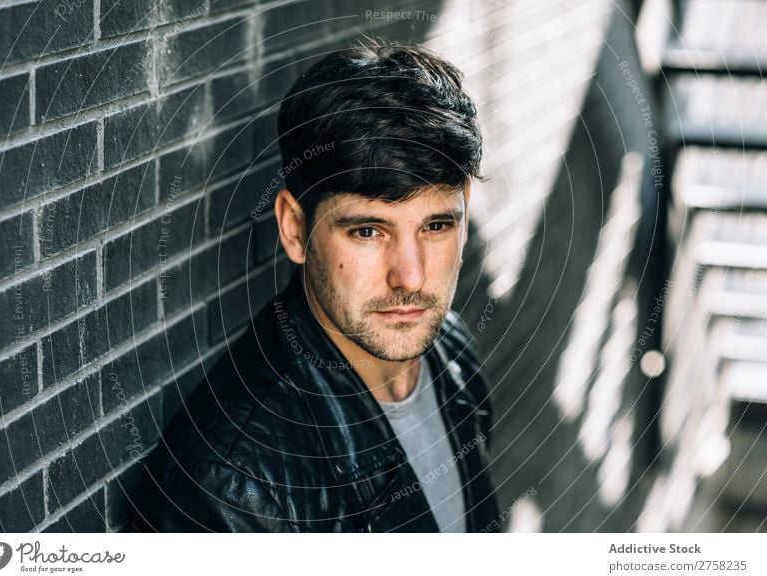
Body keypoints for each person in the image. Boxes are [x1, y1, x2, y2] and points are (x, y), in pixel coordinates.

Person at [128, 40, 499, 532]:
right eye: (368, 231)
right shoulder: (233, 488)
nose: (411, 276)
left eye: (435, 226)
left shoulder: (448, 346)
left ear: (466, 212)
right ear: (296, 229)